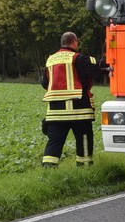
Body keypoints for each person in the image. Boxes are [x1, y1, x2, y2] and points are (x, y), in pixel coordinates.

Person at [40, 31, 109, 167]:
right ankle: (84, 168)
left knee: (54, 142)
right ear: (74, 42)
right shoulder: (78, 58)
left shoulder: (50, 60)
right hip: (79, 110)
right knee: (83, 139)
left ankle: (48, 170)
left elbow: (44, 83)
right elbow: (99, 69)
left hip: (56, 113)